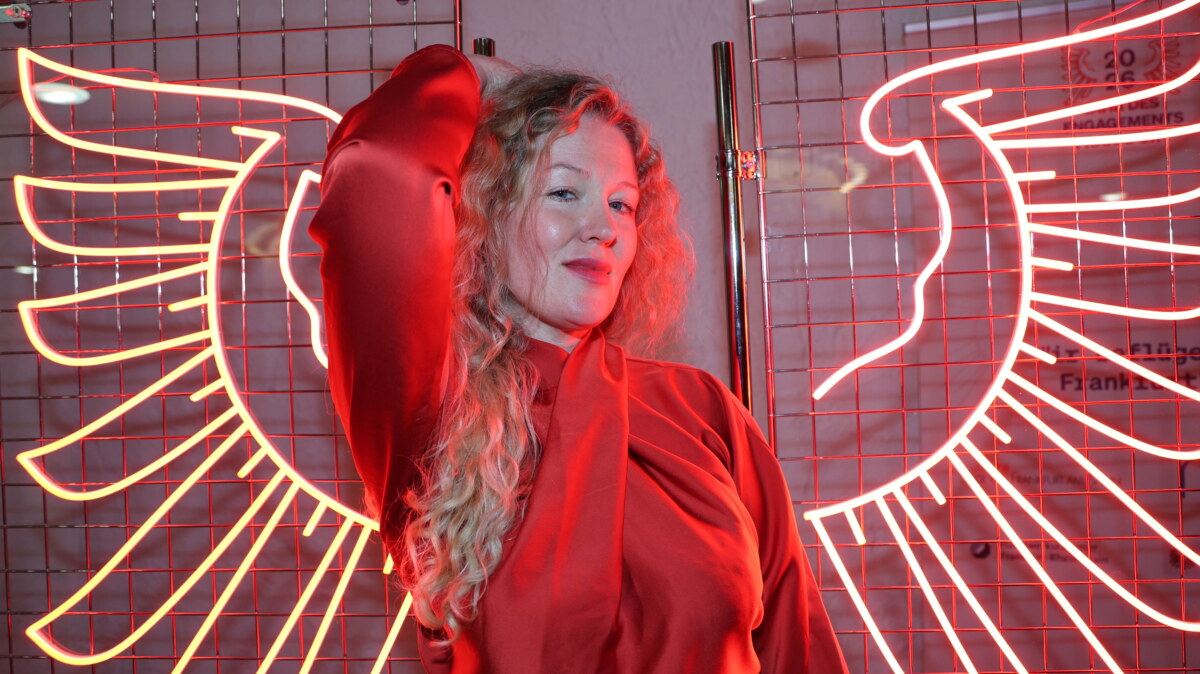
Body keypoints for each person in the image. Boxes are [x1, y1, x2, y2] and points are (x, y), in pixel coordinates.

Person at [309, 44, 848, 673]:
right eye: (564, 192)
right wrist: (466, 73)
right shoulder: (436, 412)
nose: (603, 228)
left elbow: (795, 645)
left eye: (622, 204)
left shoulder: (700, 408)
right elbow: (378, 172)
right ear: (486, 212)